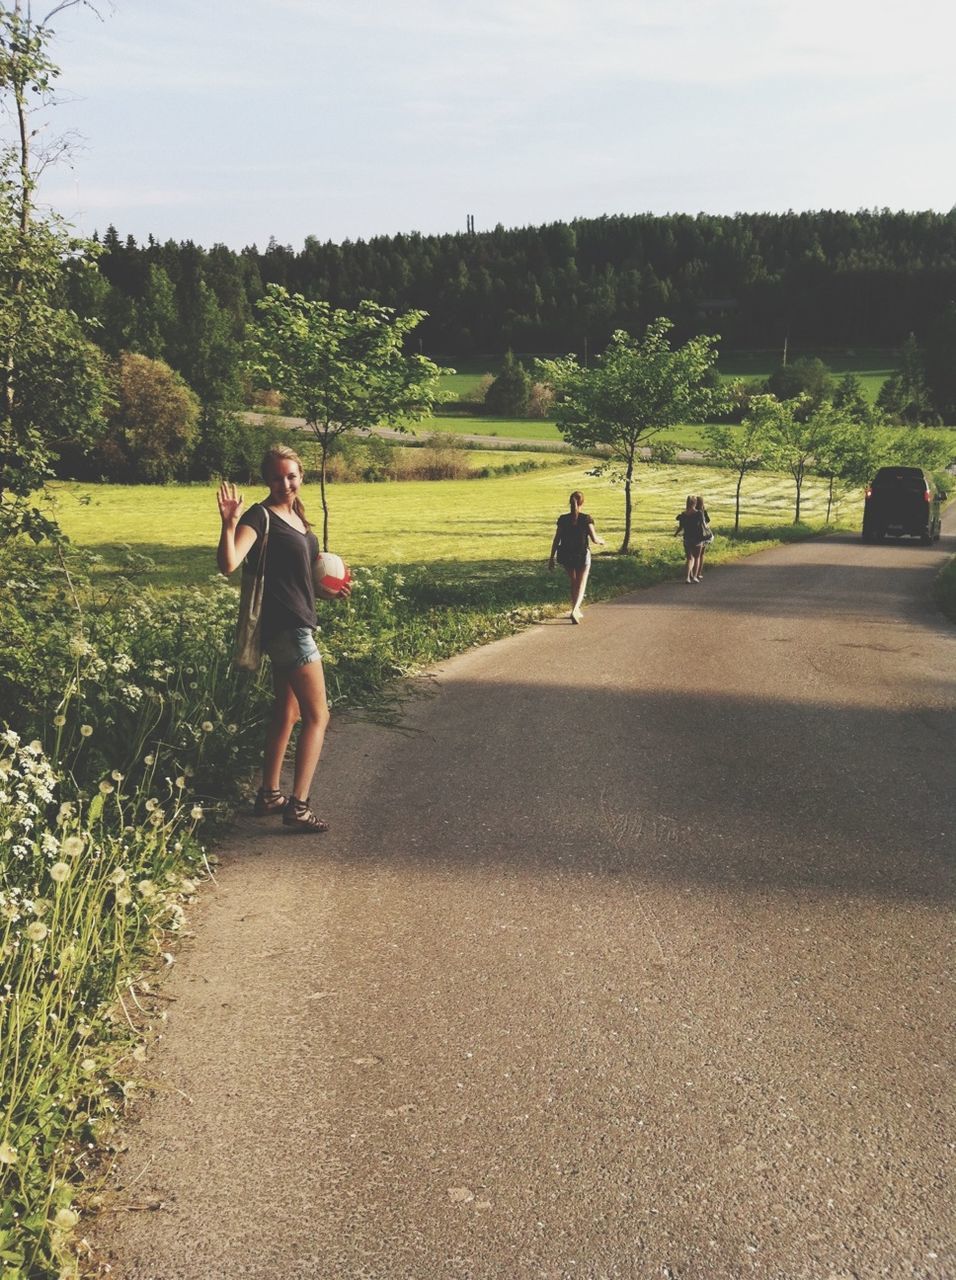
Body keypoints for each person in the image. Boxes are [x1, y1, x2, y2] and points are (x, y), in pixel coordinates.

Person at [216, 444, 351, 833]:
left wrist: (326, 591)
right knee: (318, 716)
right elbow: (228, 563)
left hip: (295, 623)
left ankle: (270, 793)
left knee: (288, 713)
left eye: (291, 476)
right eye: (277, 477)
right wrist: (229, 523)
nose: (285, 483)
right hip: (288, 629)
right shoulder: (259, 517)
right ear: (267, 480)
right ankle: (299, 806)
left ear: (301, 476)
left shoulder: (296, 517)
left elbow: (299, 579)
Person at [548, 490, 605, 623]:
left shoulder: (563, 519)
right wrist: (602, 541)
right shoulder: (586, 519)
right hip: (582, 554)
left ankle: (575, 609)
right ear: (582, 503)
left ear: (570, 502)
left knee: (574, 582)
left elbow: (556, 539)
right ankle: (575, 609)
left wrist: (551, 558)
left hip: (566, 555)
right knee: (581, 583)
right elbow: (594, 539)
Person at [674, 494, 707, 583]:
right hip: (697, 538)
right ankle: (695, 576)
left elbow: (681, 526)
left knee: (689, 558)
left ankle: (687, 577)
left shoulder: (683, 514)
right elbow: (704, 525)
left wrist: (676, 534)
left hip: (687, 538)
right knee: (697, 557)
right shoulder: (699, 513)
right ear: (695, 503)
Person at [694, 494, 712, 579]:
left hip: (694, 535)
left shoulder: (692, 511)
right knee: (701, 555)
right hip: (703, 535)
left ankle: (692, 573)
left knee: (694, 555)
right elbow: (708, 521)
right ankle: (698, 573)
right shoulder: (703, 511)